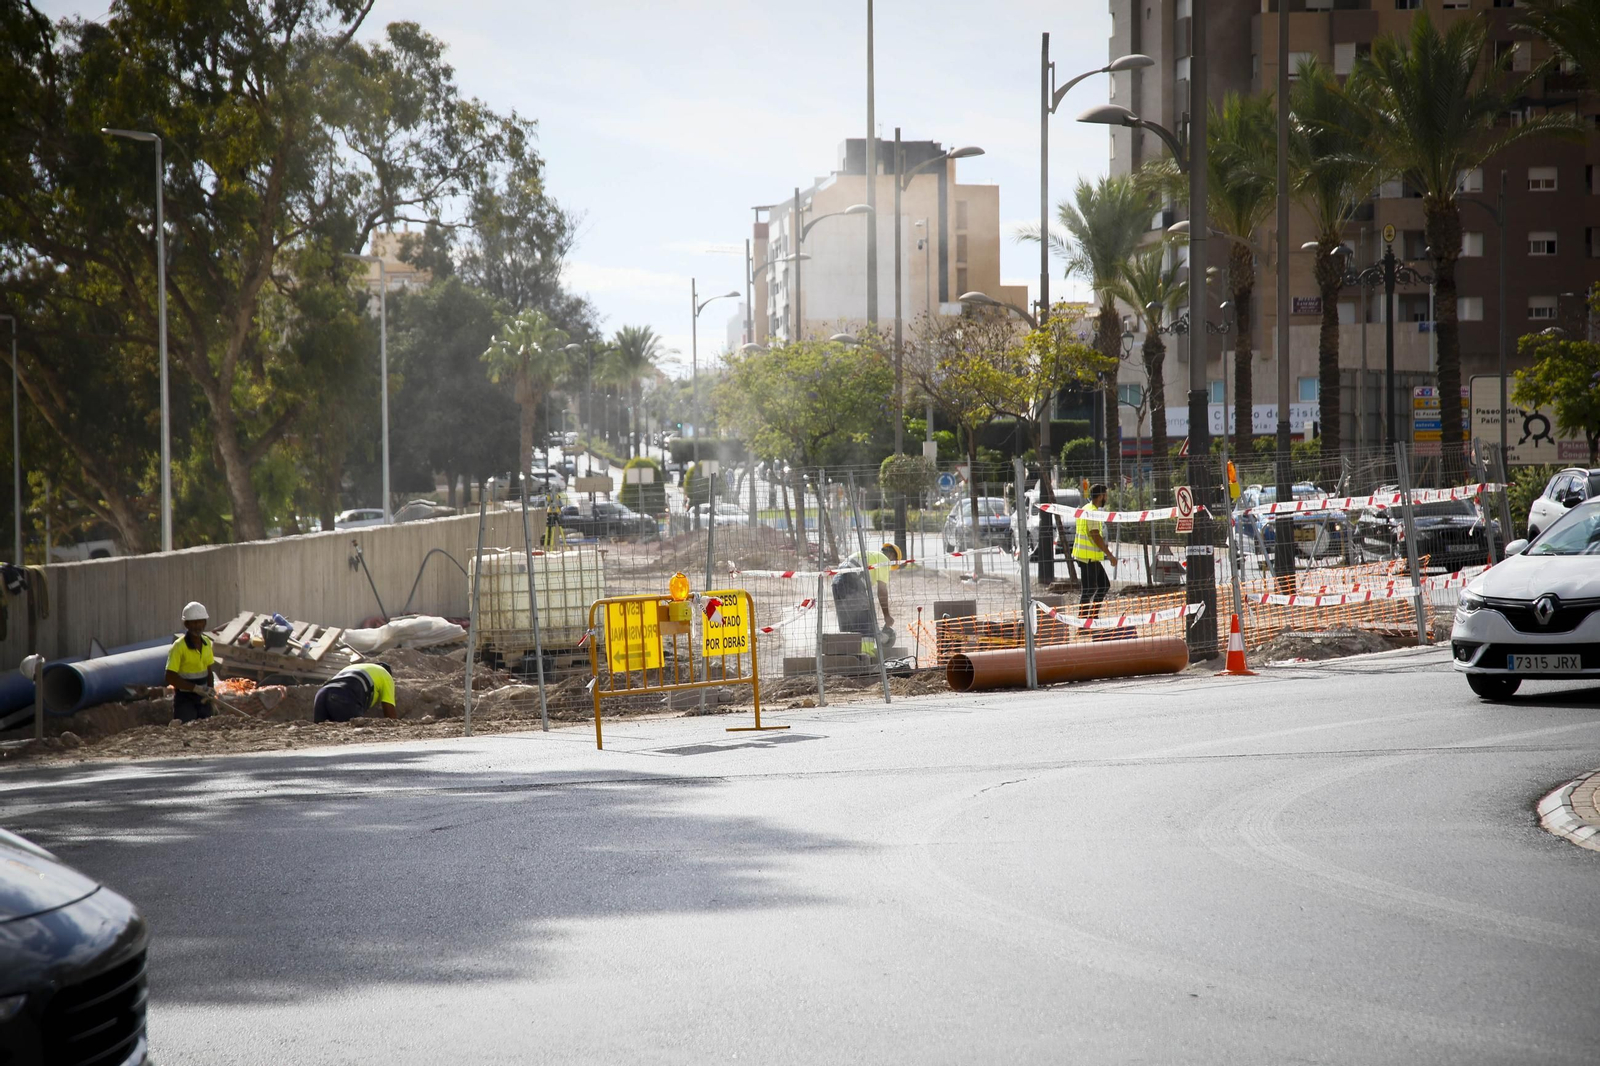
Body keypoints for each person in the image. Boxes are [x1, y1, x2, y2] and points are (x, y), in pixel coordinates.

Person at [830, 542, 900, 655]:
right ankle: (866, 655)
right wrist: (886, 615)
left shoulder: (869, 555)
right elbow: (882, 590)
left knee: (848, 624)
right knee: (865, 622)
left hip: (836, 582)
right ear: (892, 556)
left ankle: (848, 656)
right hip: (851, 582)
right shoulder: (884, 560)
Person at [1072, 484, 1118, 632]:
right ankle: (1083, 624)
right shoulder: (1091, 512)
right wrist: (1109, 555)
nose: (1106, 498)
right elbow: (1095, 535)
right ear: (1100, 496)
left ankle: (1092, 618)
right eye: (1105, 495)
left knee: (1103, 586)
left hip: (1089, 557)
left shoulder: (1086, 508)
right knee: (1089, 590)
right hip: (1087, 558)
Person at [166, 601, 216, 722]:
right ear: (186, 624)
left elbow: (209, 671)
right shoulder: (179, 647)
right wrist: (195, 688)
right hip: (185, 699)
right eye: (193, 622)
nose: (197, 626)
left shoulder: (207, 643)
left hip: (203, 698)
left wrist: (210, 692)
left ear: (205, 623)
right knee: (186, 728)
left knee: (207, 729)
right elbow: (170, 677)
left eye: (200, 621)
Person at [313, 661, 397, 723]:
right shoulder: (386, 676)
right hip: (344, 695)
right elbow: (390, 714)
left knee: (321, 735)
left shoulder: (353, 668)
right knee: (354, 731)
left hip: (321, 694)